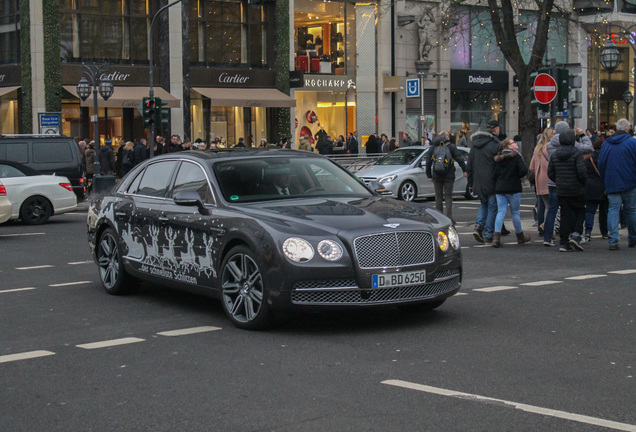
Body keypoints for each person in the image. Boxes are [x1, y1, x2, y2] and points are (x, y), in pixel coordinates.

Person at [598, 117, 636, 250]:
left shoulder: (607, 143)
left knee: (613, 209)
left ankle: (613, 240)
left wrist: (604, 180)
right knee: (631, 210)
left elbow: (601, 163)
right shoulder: (632, 142)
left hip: (612, 181)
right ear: (628, 128)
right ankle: (632, 237)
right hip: (630, 181)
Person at [547, 129, 587, 252]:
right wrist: (582, 182)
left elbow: (550, 172)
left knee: (565, 214)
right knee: (581, 210)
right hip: (576, 188)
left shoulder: (555, 154)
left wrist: (558, 180)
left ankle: (564, 242)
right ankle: (576, 234)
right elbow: (581, 172)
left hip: (562, 189)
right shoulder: (577, 153)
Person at [491, 138, 530, 247]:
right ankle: (520, 236)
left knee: (501, 212)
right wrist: (515, 176)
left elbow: (494, 174)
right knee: (515, 212)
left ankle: (496, 237)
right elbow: (523, 170)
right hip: (513, 187)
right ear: (508, 146)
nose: (516, 144)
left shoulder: (498, 159)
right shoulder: (516, 156)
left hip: (500, 188)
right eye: (513, 142)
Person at [468, 119, 502, 243]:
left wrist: (471, 183)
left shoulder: (475, 145)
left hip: (478, 181)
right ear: (495, 129)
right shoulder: (495, 144)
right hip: (491, 180)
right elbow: (499, 164)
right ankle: (488, 233)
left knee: (484, 205)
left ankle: (478, 227)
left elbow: (470, 164)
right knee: (493, 207)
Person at [425, 134, 467, 219]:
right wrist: (465, 170)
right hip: (449, 175)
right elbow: (460, 159)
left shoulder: (433, 147)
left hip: (436, 175)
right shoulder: (451, 147)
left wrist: (429, 175)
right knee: (448, 196)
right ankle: (449, 217)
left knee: (438, 196)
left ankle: (439, 218)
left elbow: (428, 162)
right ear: (446, 138)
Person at [530, 127, 554, 237]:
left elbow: (532, 167)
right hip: (550, 179)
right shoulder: (550, 148)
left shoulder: (537, 148)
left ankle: (543, 226)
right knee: (553, 206)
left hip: (539, 180)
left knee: (544, 205)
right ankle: (548, 227)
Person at [583, 138, 608, 242]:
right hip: (603, 187)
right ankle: (604, 232)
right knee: (604, 211)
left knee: (590, 211)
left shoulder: (588, 159)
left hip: (590, 187)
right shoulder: (606, 158)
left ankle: (588, 231)